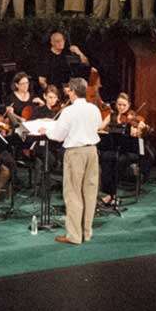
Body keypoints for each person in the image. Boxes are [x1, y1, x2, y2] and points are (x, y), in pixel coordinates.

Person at [44, 78, 101, 245]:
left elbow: (58, 136)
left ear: (73, 92)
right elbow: (96, 126)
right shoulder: (94, 109)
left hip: (75, 153)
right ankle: (86, 233)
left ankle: (74, 236)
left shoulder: (69, 111)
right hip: (92, 151)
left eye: (69, 90)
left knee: (73, 194)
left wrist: (47, 129)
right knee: (90, 194)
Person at [98, 93, 151, 207]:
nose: (121, 107)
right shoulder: (111, 115)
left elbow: (142, 127)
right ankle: (108, 192)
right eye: (119, 104)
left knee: (118, 160)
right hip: (115, 149)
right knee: (105, 157)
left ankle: (112, 195)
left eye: (124, 105)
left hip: (130, 152)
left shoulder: (133, 118)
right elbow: (99, 127)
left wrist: (140, 129)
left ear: (129, 105)